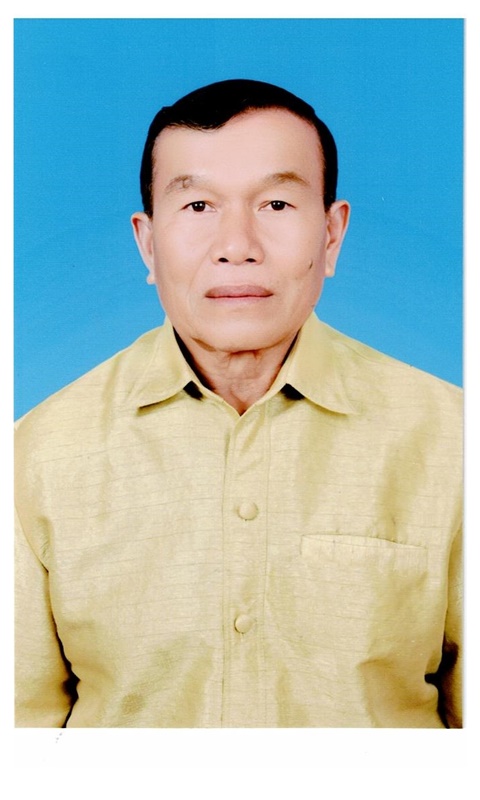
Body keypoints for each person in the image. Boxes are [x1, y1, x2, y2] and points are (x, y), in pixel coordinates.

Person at [15, 78, 462, 728]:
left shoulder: (453, 439)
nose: (237, 246)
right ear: (147, 242)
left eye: (276, 203)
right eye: (198, 206)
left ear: (331, 235)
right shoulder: (37, 454)